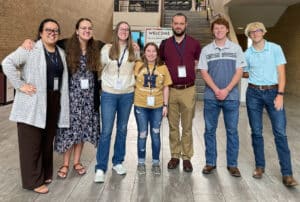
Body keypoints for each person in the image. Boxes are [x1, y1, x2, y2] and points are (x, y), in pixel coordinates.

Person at [1, 18, 69, 194]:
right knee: (32, 142)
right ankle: (32, 181)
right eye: (48, 30)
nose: (52, 33)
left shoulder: (61, 52)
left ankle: (45, 173)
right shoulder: (30, 48)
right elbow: (7, 63)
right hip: (33, 101)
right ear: (40, 32)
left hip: (53, 100)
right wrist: (20, 85)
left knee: (47, 140)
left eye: (55, 30)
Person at [243, 22, 297, 186]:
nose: (255, 33)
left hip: (273, 92)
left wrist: (280, 94)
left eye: (258, 30)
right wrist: (249, 72)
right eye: (251, 32)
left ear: (263, 32)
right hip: (253, 93)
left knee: (280, 132)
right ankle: (260, 166)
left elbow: (281, 73)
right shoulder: (247, 53)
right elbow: (244, 72)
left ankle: (287, 174)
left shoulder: (275, 48)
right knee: (256, 132)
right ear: (249, 35)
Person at [198, 17, 245, 177]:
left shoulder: (236, 49)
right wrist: (217, 89)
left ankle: (232, 164)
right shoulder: (206, 50)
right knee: (209, 131)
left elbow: (239, 71)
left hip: (231, 97)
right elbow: (204, 72)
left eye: (221, 28)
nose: (219, 31)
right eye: (216, 28)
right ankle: (210, 162)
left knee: (232, 131)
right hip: (211, 97)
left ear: (227, 30)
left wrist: (226, 90)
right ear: (212, 31)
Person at [55, 18, 101, 179]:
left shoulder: (96, 47)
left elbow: (114, 46)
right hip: (71, 97)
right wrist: (29, 41)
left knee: (81, 131)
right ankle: (65, 164)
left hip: (88, 98)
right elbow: (45, 41)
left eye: (89, 28)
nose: (87, 30)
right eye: (83, 28)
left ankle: (76, 162)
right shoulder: (65, 45)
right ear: (76, 30)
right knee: (68, 130)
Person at [94, 21, 139, 182]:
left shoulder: (134, 50)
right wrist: (104, 84)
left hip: (127, 94)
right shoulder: (107, 49)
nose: (124, 31)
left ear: (129, 32)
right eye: (121, 29)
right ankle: (100, 167)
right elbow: (99, 68)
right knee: (106, 131)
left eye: (127, 29)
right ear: (116, 31)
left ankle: (118, 161)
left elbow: (138, 68)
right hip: (109, 95)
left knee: (122, 129)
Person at [159, 12, 201, 172]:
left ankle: (187, 157)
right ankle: (175, 155)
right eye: (175, 23)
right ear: (172, 25)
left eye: (181, 23)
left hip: (188, 89)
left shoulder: (195, 43)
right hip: (170, 90)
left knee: (188, 126)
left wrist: (189, 75)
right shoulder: (165, 44)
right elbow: (161, 62)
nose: (178, 26)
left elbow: (196, 62)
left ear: (186, 25)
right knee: (173, 126)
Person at [134, 42, 172, 175]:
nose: (151, 54)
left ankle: (156, 163)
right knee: (142, 134)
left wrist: (165, 105)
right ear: (144, 53)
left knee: (155, 134)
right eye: (148, 51)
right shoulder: (138, 66)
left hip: (157, 107)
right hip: (140, 105)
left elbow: (166, 87)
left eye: (153, 51)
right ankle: (141, 162)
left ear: (157, 53)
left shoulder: (163, 67)